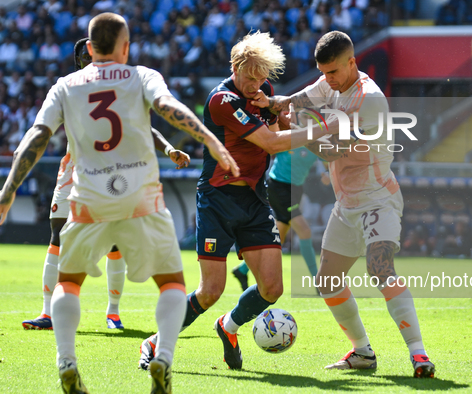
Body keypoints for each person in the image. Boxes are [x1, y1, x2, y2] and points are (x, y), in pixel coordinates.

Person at [0, 13, 238, 393]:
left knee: (70, 282)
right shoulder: (143, 75)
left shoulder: (66, 85)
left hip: (89, 198)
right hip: (139, 196)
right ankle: (163, 359)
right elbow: (168, 108)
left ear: (90, 48)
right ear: (126, 47)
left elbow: (37, 135)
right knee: (172, 284)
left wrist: (8, 191)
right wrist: (209, 138)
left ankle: (66, 361)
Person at [139, 31, 342, 371]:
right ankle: (156, 342)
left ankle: (228, 327)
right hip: (218, 200)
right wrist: (322, 129)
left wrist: (297, 117)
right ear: (235, 66)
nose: (257, 84)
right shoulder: (221, 100)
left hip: (254, 199)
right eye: (251, 76)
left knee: (272, 288)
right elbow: (272, 143)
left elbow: (283, 126)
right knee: (210, 291)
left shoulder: (264, 92)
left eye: (263, 77)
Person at [251, 31, 435, 378]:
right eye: (323, 72)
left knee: (380, 267)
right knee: (328, 280)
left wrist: (295, 134)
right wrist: (278, 103)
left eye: (333, 72)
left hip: (378, 198)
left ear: (352, 62)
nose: (328, 80)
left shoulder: (371, 101)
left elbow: (333, 151)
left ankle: (419, 355)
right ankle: (363, 353)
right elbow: (306, 97)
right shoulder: (331, 83)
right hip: (347, 202)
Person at [21, 37, 191, 332]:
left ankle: (113, 313)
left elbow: (143, 127)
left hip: (113, 172)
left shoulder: (119, 87)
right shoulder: (70, 86)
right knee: (57, 234)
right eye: (87, 56)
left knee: (115, 243)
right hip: (74, 169)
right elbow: (42, 129)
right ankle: (48, 313)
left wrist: (167, 149)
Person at [232, 113, 320, 291]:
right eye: (304, 117)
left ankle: (242, 270)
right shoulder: (290, 137)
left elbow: (331, 159)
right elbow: (271, 142)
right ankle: (318, 282)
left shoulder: (317, 144)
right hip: (278, 188)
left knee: (276, 238)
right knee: (304, 231)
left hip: (294, 190)